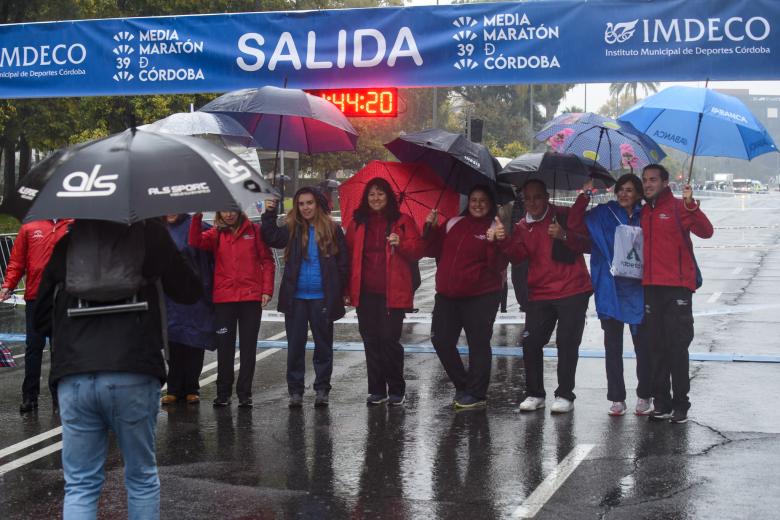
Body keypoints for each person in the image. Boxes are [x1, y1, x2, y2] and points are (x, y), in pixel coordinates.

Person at [34, 219, 202, 520]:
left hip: (75, 373)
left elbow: (41, 318)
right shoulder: (151, 237)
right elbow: (189, 291)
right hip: (133, 369)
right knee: (141, 477)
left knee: (80, 484)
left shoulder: (67, 246)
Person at [492, 179, 592, 414]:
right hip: (540, 293)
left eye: (537, 197)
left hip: (572, 290)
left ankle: (565, 394)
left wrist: (564, 235)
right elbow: (518, 257)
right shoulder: (521, 226)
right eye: (527, 198)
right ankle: (535, 393)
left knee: (567, 342)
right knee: (531, 341)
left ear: (546, 197)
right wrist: (503, 240)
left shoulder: (564, 215)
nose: (533, 202)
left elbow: (587, 245)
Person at [568, 175, 652, 416]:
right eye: (620, 189)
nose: (624, 194)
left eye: (630, 190)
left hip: (638, 289)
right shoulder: (604, 213)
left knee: (643, 346)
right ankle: (617, 398)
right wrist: (584, 196)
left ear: (638, 194)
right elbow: (574, 223)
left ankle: (645, 394)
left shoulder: (646, 215)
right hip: (610, 288)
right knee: (612, 347)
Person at [261, 187, 349, 408]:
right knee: (295, 348)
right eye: (301, 204)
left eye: (309, 203)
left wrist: (339, 291)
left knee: (323, 347)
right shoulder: (292, 228)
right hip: (296, 298)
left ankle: (322, 390)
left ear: (317, 204)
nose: (305, 207)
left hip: (322, 298)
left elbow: (343, 263)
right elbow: (271, 237)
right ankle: (295, 391)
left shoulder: (332, 229)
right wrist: (269, 213)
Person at [640, 164, 713, 424]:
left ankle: (681, 404)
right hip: (650, 287)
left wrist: (691, 205)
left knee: (677, 348)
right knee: (656, 348)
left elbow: (706, 231)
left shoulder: (679, 206)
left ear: (665, 182)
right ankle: (661, 402)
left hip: (677, 288)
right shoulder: (644, 211)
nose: (647, 184)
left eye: (653, 180)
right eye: (645, 180)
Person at [424, 185, 508, 409]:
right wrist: (430, 228)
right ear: (468, 202)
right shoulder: (453, 223)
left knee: (478, 344)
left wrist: (494, 242)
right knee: (440, 340)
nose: (477, 204)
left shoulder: (495, 227)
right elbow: (432, 250)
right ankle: (464, 386)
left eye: (483, 200)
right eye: (474, 200)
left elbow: (498, 266)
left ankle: (477, 394)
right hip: (447, 296)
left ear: (490, 204)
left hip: (481, 296)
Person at [344, 178, 424, 406]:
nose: (376, 198)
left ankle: (397, 389)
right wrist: (347, 289)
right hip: (365, 293)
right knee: (371, 341)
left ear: (388, 196)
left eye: (380, 193)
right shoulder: (357, 223)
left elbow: (418, 251)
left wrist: (401, 243)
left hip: (393, 294)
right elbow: (347, 257)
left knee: (389, 341)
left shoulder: (403, 221)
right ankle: (377, 390)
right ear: (366, 198)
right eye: (371, 194)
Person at [189, 209, 275, 408]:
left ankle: (245, 394)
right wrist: (197, 217)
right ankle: (223, 393)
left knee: (248, 348)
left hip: (250, 299)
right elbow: (195, 242)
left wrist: (267, 290)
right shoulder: (216, 233)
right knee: (225, 348)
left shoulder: (254, 231)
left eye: (232, 211)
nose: (228, 215)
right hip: (224, 299)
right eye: (224, 211)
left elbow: (267, 261)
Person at [0, 218, 72, 413]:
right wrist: (8, 285)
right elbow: (17, 261)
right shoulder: (29, 228)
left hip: (63, 297)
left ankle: (58, 396)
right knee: (33, 346)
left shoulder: (72, 226)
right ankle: (29, 396)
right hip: (35, 296)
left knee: (59, 347)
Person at [161, 214, 217, 405]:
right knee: (172, 342)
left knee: (194, 341)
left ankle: (192, 387)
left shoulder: (197, 226)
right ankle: (174, 388)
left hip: (195, 294)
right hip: (168, 297)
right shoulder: (157, 228)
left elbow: (211, 257)